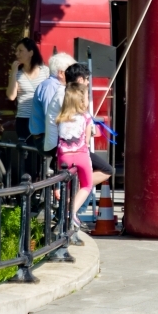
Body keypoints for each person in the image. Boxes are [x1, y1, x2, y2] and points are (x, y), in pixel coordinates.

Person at [43, 63, 113, 187]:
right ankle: (78, 188)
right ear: (80, 79)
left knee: (99, 171)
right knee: (107, 170)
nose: (88, 84)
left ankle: (75, 189)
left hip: (66, 145)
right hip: (65, 147)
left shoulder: (65, 93)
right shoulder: (65, 95)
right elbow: (79, 120)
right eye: (87, 80)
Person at [55, 83, 94, 228]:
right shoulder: (86, 117)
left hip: (64, 157)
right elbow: (87, 140)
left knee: (69, 187)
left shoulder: (60, 118)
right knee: (86, 185)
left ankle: (66, 217)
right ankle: (70, 213)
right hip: (81, 156)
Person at [6, 38, 50, 143]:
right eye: (16, 51)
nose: (17, 54)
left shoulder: (45, 71)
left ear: (31, 53)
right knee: (26, 155)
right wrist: (13, 73)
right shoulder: (17, 74)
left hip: (42, 118)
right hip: (24, 119)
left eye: (20, 51)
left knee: (40, 154)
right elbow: (11, 96)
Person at [31, 53, 76, 155]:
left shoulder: (54, 85)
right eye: (70, 71)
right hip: (46, 139)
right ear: (61, 73)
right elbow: (51, 118)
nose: (73, 75)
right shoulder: (51, 87)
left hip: (50, 137)